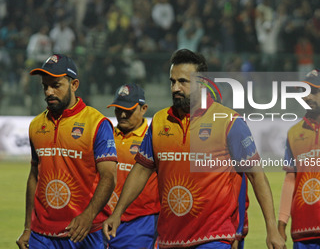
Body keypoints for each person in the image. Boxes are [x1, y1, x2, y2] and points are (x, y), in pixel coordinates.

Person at [103, 49, 285, 248]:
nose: (175, 88)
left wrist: (271, 228)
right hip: (170, 238)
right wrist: (118, 213)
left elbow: (256, 176)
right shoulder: (159, 121)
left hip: (213, 237)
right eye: (172, 81)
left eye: (183, 81)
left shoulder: (228, 121)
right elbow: (141, 170)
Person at [16, 54, 117, 249]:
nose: (49, 92)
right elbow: (34, 176)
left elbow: (109, 177)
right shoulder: (36, 125)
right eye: (45, 86)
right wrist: (28, 228)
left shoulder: (97, 124)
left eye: (56, 85)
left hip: (84, 231)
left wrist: (88, 215)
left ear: (74, 84)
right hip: (41, 234)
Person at [278, 69, 320, 248]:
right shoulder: (294, 132)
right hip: (302, 232)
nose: (307, 97)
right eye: (304, 92)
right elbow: (291, 179)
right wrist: (282, 222)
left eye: (314, 91)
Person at [106, 83, 160, 249]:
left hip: (140, 223)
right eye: (117, 109)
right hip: (103, 221)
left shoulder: (155, 138)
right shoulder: (105, 135)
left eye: (128, 110)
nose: (122, 114)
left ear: (143, 109)